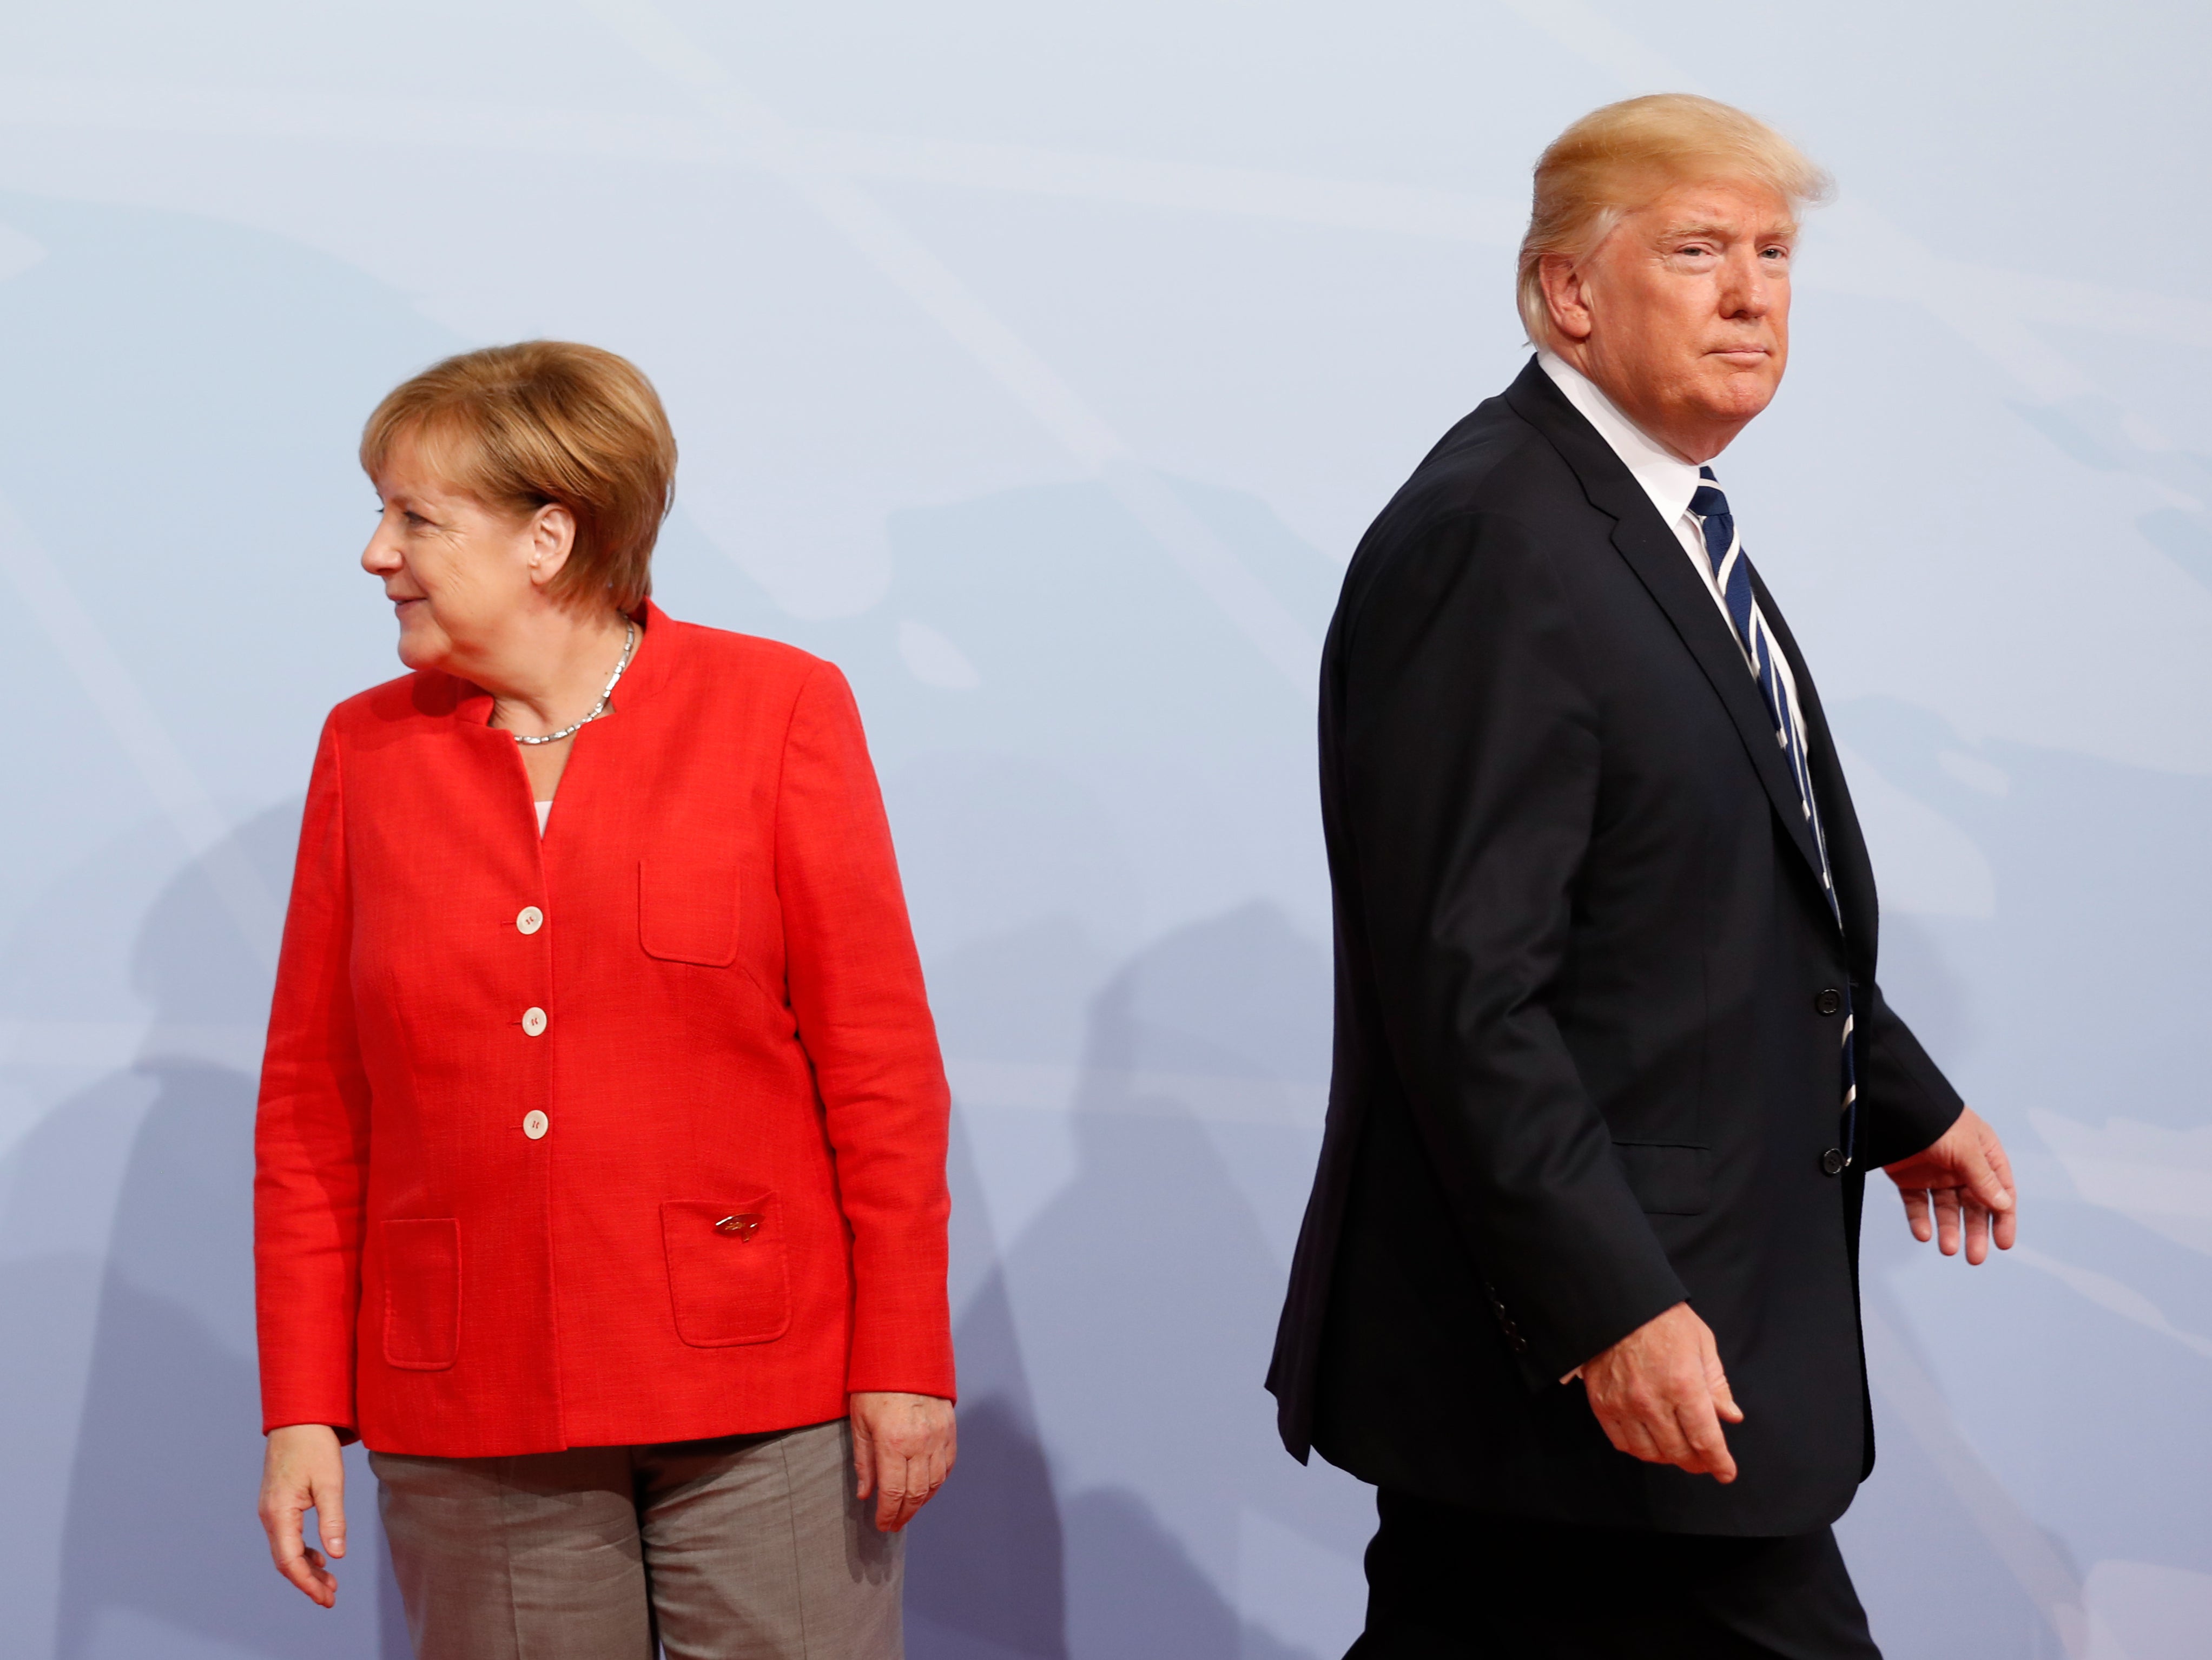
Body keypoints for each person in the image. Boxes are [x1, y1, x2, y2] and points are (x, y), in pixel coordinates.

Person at [1266, 95, 2018, 1658]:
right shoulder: (1497, 533)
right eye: (1696, 250)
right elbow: (1466, 984)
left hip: (1618, 1357)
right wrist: (1606, 1302)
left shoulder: (1652, 524)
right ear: (1569, 294)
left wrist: (1902, 1097)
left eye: (1773, 253)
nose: (1751, 293)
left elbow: (1704, 899)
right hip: (1595, 1347)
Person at [253, 340, 956, 1659]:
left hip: (762, 1388)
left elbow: (880, 1072)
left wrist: (905, 1358)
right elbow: (312, 1106)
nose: (375, 553)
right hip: (468, 1396)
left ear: (548, 536)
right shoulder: (366, 749)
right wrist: (301, 1405)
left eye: (414, 517)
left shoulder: (779, 709)